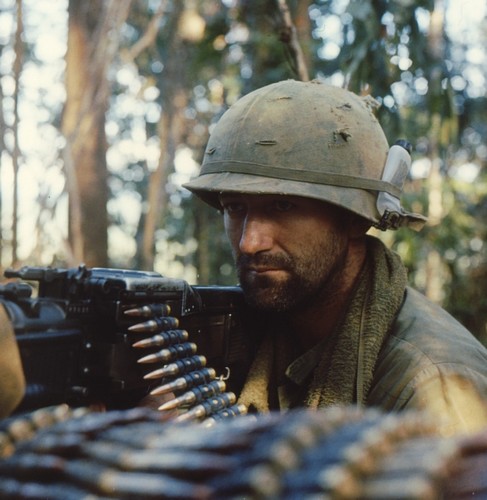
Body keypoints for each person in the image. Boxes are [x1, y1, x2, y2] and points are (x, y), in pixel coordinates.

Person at [184, 79, 487, 436]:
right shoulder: (265, 332)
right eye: (234, 208)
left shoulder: (436, 385)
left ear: (354, 220)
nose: (250, 243)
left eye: (283, 205)